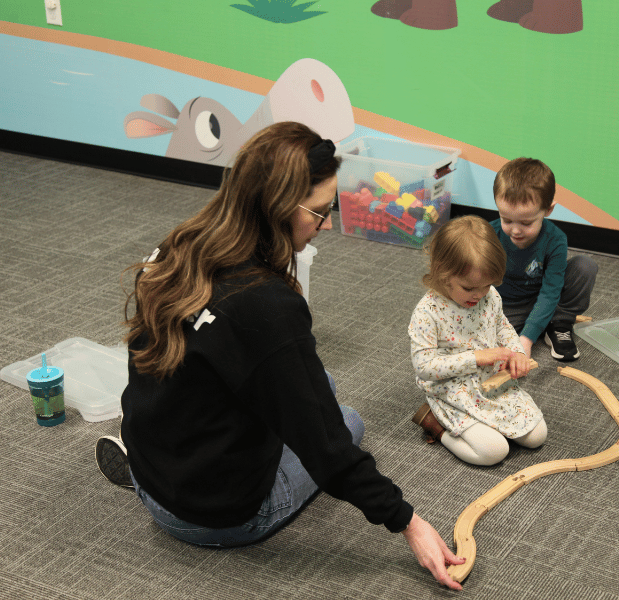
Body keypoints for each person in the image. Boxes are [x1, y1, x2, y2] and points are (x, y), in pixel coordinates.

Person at [93, 121, 465, 590]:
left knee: (318, 384)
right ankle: (186, 495)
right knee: (345, 421)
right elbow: (329, 452)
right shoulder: (268, 307)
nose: (325, 224)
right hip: (215, 516)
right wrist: (410, 523)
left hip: (154, 461)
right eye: (320, 211)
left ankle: (147, 474)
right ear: (280, 208)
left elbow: (144, 361)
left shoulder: (182, 242)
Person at [408, 215, 547, 466]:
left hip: (491, 384)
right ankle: (435, 426)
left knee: (537, 436)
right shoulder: (427, 312)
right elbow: (424, 367)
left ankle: (487, 426)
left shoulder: (488, 295)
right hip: (453, 390)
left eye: (487, 285)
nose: (480, 294)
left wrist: (516, 353)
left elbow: (502, 326)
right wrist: (476, 358)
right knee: (493, 452)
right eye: (469, 288)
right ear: (442, 272)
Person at [491, 158, 598, 362]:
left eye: (526, 222)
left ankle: (559, 322)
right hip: (504, 306)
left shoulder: (556, 239)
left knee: (585, 267)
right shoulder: (488, 233)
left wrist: (527, 340)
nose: (515, 230)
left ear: (548, 210)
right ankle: (537, 324)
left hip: (545, 300)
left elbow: (550, 292)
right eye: (506, 219)